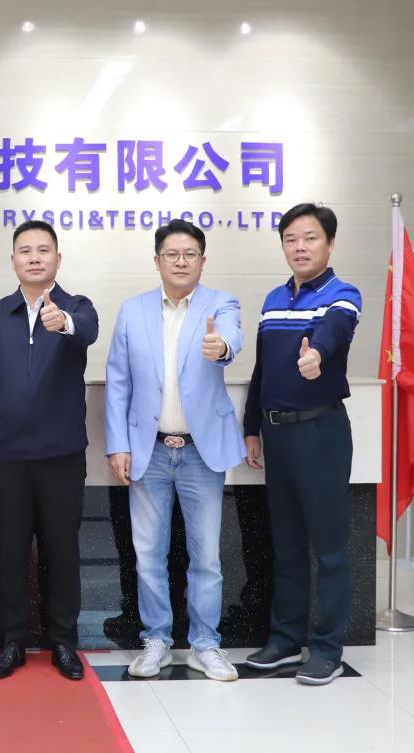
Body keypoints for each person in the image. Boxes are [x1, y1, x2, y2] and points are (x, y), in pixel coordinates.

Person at [105, 219, 246, 682]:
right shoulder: (133, 311)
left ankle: (206, 644)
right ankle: (156, 641)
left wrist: (220, 346)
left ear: (203, 260)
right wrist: (118, 444)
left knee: (206, 557)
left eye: (190, 254)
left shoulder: (220, 304)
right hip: (148, 450)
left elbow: (232, 339)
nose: (181, 261)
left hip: (201, 453)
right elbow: (118, 382)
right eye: (172, 254)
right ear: (157, 260)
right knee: (149, 554)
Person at [0, 220, 98, 681]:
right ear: (13, 261)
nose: (34, 257)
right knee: (9, 550)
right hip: (6, 457)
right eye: (25, 250)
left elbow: (87, 331)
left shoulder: (77, 307)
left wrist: (62, 322)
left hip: (61, 455)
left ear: (58, 259)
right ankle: (12, 641)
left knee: (61, 550)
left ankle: (63, 641)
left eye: (43, 250)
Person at [243, 203, 362, 686]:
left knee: (329, 548)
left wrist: (318, 355)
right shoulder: (273, 299)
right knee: (287, 544)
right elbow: (262, 370)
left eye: (310, 238)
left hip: (321, 432)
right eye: (291, 239)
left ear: (329, 243)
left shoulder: (343, 294)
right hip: (277, 434)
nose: (300, 247)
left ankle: (328, 648)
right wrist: (252, 427)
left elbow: (334, 330)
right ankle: (285, 639)